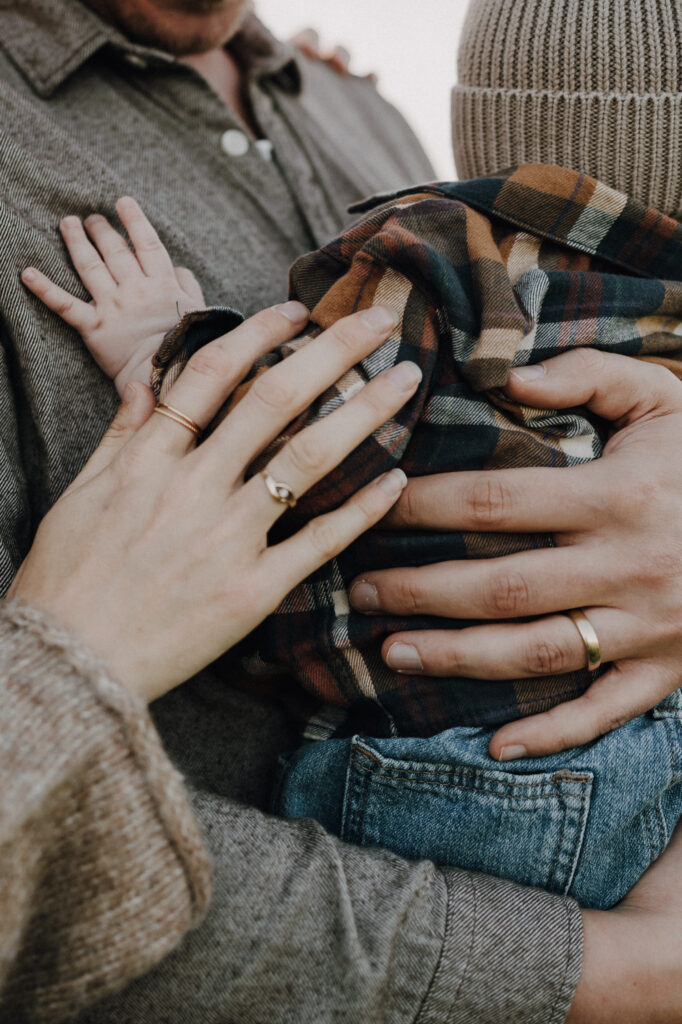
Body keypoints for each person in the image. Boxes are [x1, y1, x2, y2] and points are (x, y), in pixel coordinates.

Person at [1, 1, 682, 1023]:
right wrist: (609, 975)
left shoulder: (359, 120)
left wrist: (166, 345)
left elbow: (351, 429)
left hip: (467, 776)